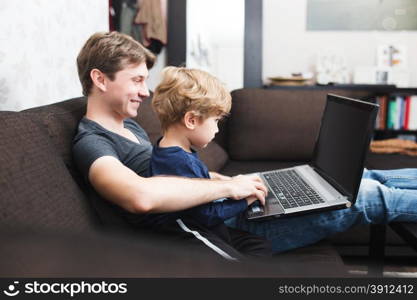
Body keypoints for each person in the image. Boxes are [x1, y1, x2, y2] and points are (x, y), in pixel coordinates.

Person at [73, 31, 417, 259]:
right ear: (100, 79)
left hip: (226, 204)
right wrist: (230, 189)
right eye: (136, 80)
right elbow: (142, 196)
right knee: (367, 196)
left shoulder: (129, 125)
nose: (145, 92)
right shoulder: (92, 143)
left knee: (365, 175)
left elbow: (179, 176)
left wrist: (236, 182)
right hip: (223, 226)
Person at [147, 66, 272, 259]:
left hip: (205, 223)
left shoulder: (172, 150)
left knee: (258, 244)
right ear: (191, 120)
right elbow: (208, 214)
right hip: (192, 232)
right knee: (246, 264)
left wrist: (228, 184)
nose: (217, 130)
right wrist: (248, 199)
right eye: (215, 121)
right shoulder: (177, 160)